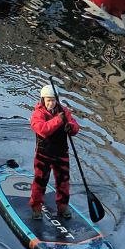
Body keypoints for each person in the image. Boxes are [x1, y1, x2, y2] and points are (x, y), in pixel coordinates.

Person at [29, 84, 80, 220]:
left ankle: (63, 207)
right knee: (40, 182)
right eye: (48, 100)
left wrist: (71, 127)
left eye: (53, 100)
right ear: (43, 100)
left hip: (61, 152)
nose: (51, 103)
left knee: (63, 182)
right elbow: (43, 129)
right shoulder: (37, 114)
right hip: (43, 154)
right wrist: (59, 120)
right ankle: (36, 208)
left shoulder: (64, 112)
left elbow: (75, 126)